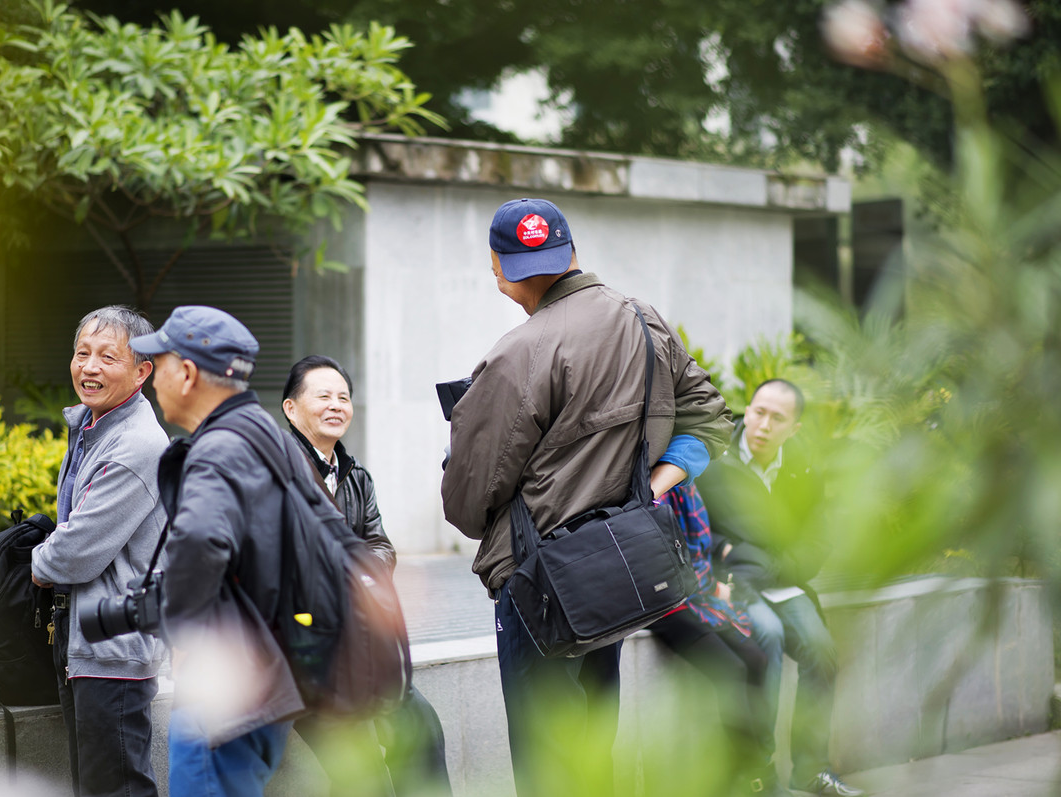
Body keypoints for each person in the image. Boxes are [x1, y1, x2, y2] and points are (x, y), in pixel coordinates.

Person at [440, 197, 733, 795]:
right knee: (595, 746)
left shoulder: (516, 353)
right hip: (620, 566)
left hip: (539, 579)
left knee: (545, 760)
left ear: (499, 268)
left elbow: (467, 505)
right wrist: (651, 488)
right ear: (572, 252)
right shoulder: (643, 320)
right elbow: (709, 422)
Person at [130, 305, 308, 797]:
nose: (154, 378)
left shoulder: (217, 449)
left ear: (186, 373)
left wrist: (185, 638)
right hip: (269, 674)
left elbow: (203, 541)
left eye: (159, 364)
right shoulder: (268, 434)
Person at [282, 355, 452, 797]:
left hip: (359, 643)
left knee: (423, 731)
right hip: (303, 655)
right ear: (291, 408)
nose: (336, 405)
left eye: (344, 397)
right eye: (323, 396)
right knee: (365, 775)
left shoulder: (356, 476)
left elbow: (381, 546)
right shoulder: (274, 474)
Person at [698, 379, 865, 797]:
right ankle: (760, 776)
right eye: (758, 412)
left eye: (777, 418)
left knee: (821, 649)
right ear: (746, 411)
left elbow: (818, 537)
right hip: (732, 584)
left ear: (795, 428)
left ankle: (812, 771)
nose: (763, 425)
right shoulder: (714, 462)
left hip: (783, 584)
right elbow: (693, 530)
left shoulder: (802, 466)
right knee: (765, 637)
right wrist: (726, 551)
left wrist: (777, 564)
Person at [30, 305, 169, 797]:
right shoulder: (93, 426)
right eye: (82, 353)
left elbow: (76, 552)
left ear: (142, 369)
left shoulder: (136, 443)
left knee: (116, 789)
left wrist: (36, 563)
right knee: (95, 785)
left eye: (107, 357)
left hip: (114, 645)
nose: (89, 368)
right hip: (86, 638)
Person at [648, 483, 780, 796]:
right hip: (663, 603)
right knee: (732, 671)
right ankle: (751, 781)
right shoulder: (655, 489)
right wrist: (713, 588)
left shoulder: (686, 487)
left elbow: (698, 551)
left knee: (757, 659)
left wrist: (710, 585)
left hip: (697, 595)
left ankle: (750, 769)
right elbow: (661, 563)